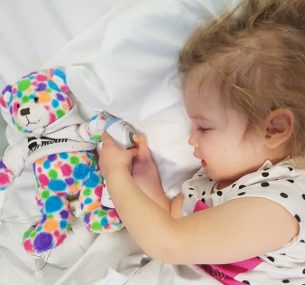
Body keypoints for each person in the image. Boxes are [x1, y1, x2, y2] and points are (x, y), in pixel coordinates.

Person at [99, 0, 305, 283]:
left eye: (204, 128)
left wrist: (115, 175)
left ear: (274, 128)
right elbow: (169, 221)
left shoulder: (284, 201)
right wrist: (147, 179)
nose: (191, 139)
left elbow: (169, 242)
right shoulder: (215, 181)